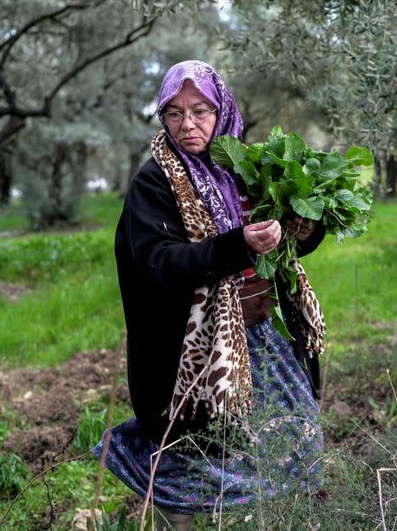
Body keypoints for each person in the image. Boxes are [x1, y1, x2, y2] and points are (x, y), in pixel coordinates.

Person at [92, 61, 327, 530]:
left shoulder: (245, 167)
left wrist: (305, 228)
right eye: (174, 113)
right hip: (193, 352)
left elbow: (284, 242)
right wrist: (237, 245)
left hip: (259, 337)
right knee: (194, 456)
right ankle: (176, 523)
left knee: (296, 441)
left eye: (200, 110)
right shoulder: (154, 183)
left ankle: (262, 520)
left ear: (223, 111)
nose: (188, 124)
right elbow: (160, 263)